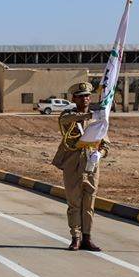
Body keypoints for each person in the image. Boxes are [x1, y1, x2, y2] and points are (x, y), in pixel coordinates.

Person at [52, 82, 109, 251]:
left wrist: (100, 154)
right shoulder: (69, 115)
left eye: (87, 96)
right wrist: (89, 115)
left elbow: (105, 143)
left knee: (89, 202)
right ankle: (75, 237)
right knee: (74, 202)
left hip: (91, 164)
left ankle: (87, 237)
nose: (85, 99)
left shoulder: (98, 119)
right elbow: (65, 120)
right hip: (73, 162)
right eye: (81, 96)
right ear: (74, 98)